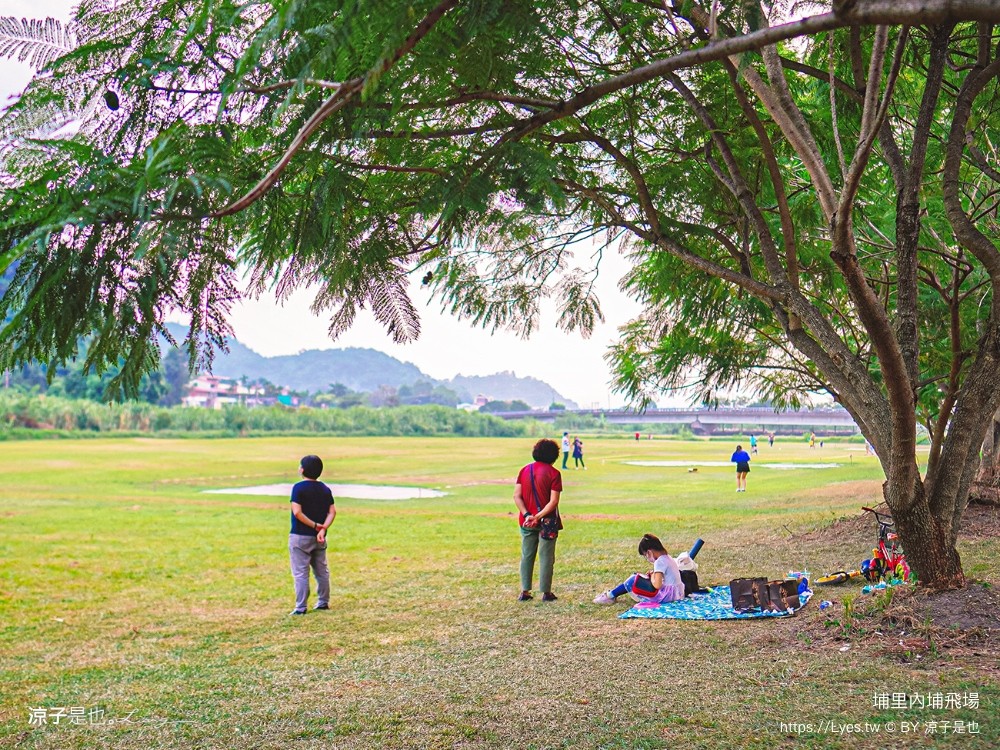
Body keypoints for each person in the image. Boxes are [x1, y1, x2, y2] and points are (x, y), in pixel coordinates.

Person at [513, 438, 563, 602]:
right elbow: (553, 501)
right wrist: (539, 517)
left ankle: (525, 591)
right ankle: (546, 592)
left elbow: (517, 496)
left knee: (527, 555)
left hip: (526, 521)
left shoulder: (524, 470)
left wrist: (528, 515)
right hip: (547, 522)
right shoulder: (554, 474)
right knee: (546, 556)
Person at [288, 454, 336, 615]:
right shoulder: (325, 489)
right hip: (319, 538)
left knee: (301, 572)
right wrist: (322, 529)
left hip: (300, 536)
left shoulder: (298, 488)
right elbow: (332, 512)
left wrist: (315, 526)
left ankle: (301, 607)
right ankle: (323, 602)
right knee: (322, 571)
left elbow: (297, 513)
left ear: (302, 469)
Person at [593, 534, 686, 605]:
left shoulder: (659, 562)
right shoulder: (667, 557)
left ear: (649, 552)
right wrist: (654, 574)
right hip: (678, 593)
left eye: (645, 556)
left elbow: (657, 585)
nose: (647, 558)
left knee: (633, 579)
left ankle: (610, 596)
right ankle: (611, 595)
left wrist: (653, 576)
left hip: (668, 596)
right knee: (640, 578)